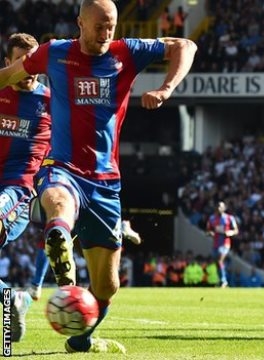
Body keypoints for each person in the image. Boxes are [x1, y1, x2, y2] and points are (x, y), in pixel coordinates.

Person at [0, 0, 197, 353]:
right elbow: (8, 76)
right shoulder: (54, 54)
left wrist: (166, 89)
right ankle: (60, 244)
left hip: (106, 181)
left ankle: (81, 338)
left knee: (106, 287)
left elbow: (186, 45)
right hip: (62, 167)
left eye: (111, 27)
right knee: (58, 201)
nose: (106, 34)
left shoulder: (127, 52)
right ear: (80, 23)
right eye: (99, 27)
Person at [0, 32, 51, 342]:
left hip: (16, 191)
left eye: (31, 62)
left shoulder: (51, 102)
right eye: (18, 62)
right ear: (7, 63)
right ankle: (13, 299)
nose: (24, 68)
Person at [206, 201, 239, 288]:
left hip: (225, 243)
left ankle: (224, 281)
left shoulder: (229, 218)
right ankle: (221, 280)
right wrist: (210, 233)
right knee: (217, 263)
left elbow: (236, 230)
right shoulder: (212, 218)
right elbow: (208, 230)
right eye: (217, 206)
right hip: (216, 243)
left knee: (220, 260)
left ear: (224, 208)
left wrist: (230, 233)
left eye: (221, 207)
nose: (219, 208)